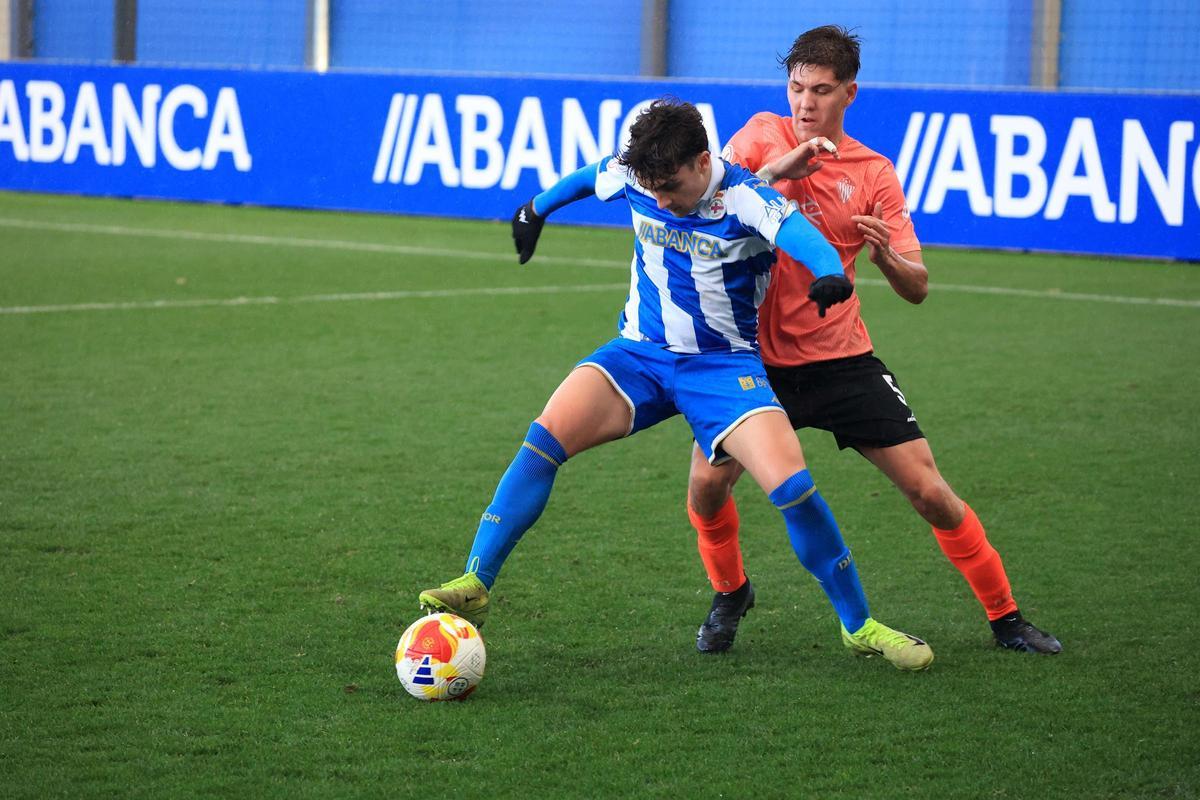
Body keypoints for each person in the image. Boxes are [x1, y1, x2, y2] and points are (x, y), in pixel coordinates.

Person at [420, 99, 934, 670]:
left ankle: (858, 625)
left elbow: (800, 233)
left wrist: (830, 272)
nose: (659, 199)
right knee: (543, 442)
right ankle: (477, 580)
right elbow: (593, 176)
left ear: (701, 160)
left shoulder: (745, 197)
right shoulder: (641, 172)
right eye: (651, 187)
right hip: (639, 354)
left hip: (721, 368)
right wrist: (534, 209)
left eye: (669, 186)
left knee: (792, 487)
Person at [688, 26, 1061, 655]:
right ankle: (731, 593)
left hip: (841, 362)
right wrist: (776, 175)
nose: (805, 103)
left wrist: (886, 254)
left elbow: (916, 286)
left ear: (849, 93)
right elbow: (710, 210)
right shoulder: (756, 137)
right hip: (750, 364)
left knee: (929, 491)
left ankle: (1006, 618)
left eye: (821, 90)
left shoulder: (873, 174)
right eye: (796, 87)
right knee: (706, 486)